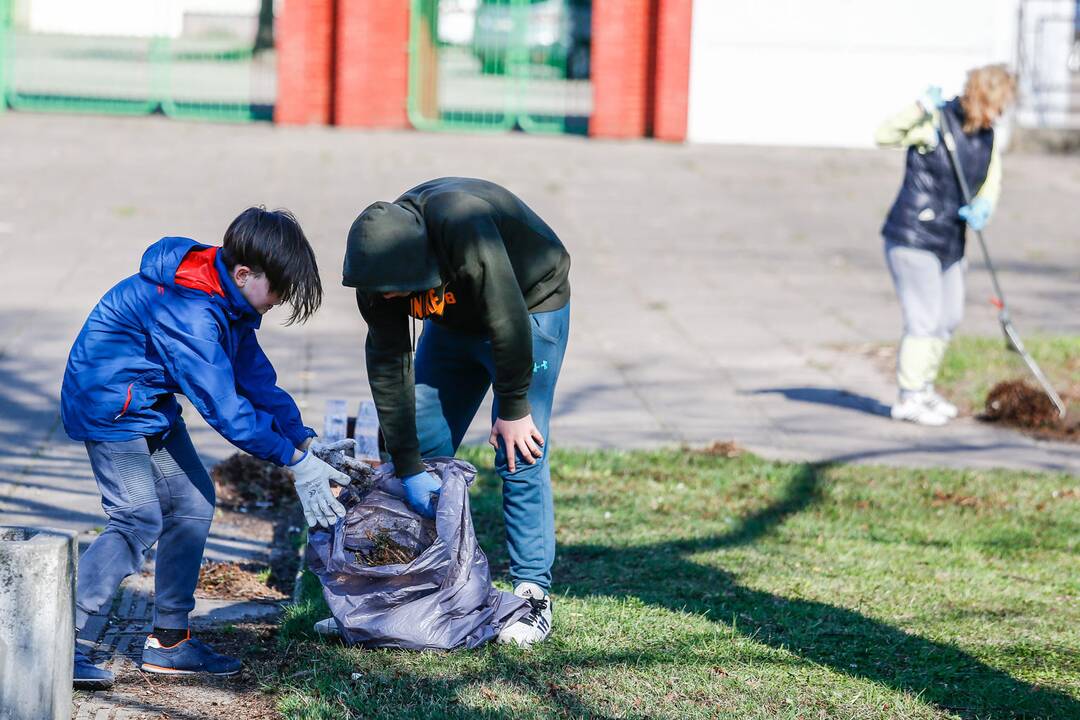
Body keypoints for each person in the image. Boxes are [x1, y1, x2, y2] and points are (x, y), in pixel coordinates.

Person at [61, 208, 350, 687]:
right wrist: (292, 462)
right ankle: (50, 635)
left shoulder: (228, 299)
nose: (277, 303)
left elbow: (254, 378)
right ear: (243, 273)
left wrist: (304, 438)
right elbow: (225, 409)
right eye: (276, 291)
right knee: (137, 519)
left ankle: (169, 643)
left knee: (193, 503)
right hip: (109, 404)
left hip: (147, 403)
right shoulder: (190, 312)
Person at [342, 177, 571, 647]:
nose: (386, 300)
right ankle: (419, 584)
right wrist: (407, 465)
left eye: (392, 292)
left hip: (528, 307)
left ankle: (534, 594)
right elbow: (388, 367)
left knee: (518, 450)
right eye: (379, 293)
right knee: (423, 447)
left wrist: (513, 406)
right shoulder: (378, 273)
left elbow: (505, 314)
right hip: (453, 323)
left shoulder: (463, 222)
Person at [875, 65, 1016, 425]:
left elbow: (990, 180)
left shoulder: (987, 136)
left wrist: (985, 206)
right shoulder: (935, 122)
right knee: (923, 319)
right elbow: (884, 134)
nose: (999, 114)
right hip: (913, 235)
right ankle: (908, 397)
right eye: (997, 105)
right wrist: (919, 108)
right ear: (981, 98)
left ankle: (925, 388)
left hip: (951, 239)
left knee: (949, 316)